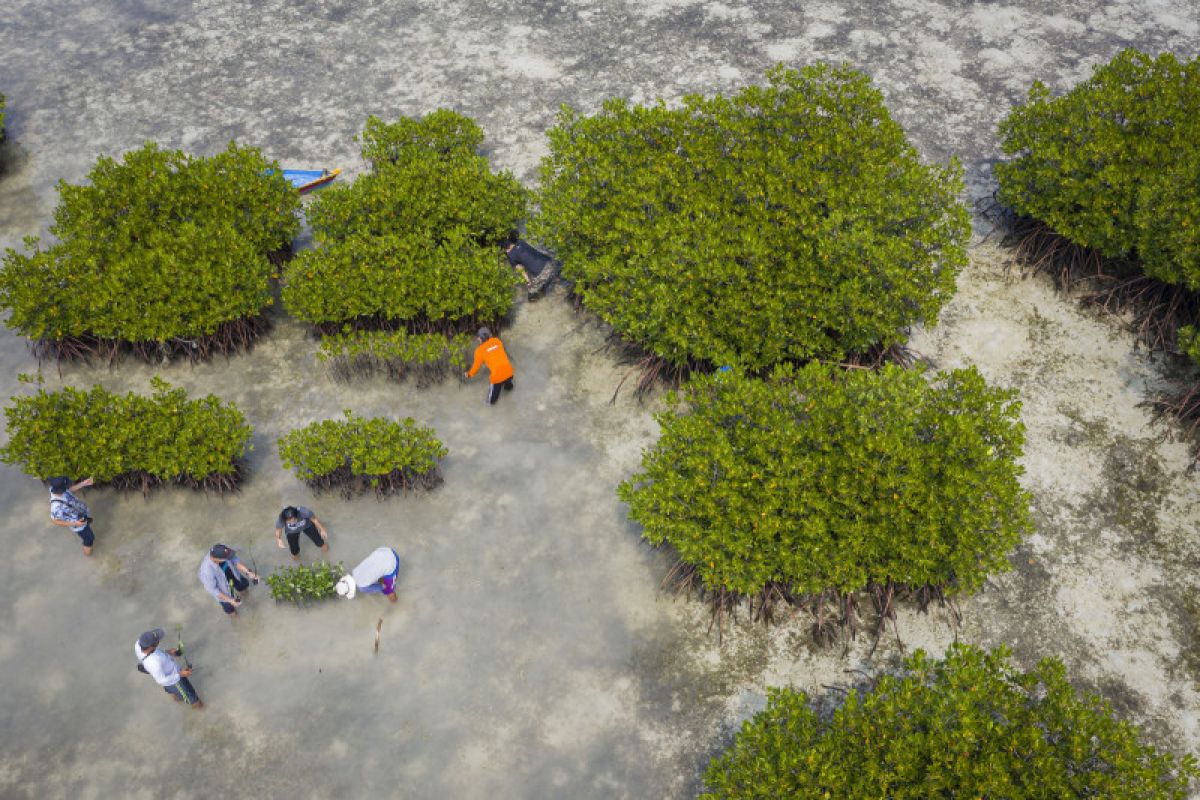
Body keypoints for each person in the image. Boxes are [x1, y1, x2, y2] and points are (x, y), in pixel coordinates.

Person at [134, 628, 202, 709]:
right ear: (152, 646)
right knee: (195, 701)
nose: (159, 641)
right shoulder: (154, 663)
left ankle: (177, 699)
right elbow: (161, 680)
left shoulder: (138, 644)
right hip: (175, 682)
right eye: (157, 641)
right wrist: (181, 674)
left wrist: (168, 652)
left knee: (174, 693)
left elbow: (155, 651)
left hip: (168, 676)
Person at [198, 544, 259, 617]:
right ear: (218, 559)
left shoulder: (222, 549)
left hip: (232, 574)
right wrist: (230, 600)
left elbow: (235, 561)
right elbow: (213, 590)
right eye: (227, 557)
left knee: (243, 587)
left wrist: (249, 573)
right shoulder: (207, 571)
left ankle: (247, 598)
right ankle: (238, 621)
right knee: (230, 609)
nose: (229, 557)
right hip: (222, 590)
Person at [47, 476, 96, 556]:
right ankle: (88, 556)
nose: (67, 487)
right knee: (89, 539)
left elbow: (69, 490)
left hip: (81, 513)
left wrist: (83, 484)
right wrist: (75, 523)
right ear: (60, 489)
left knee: (88, 532)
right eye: (65, 487)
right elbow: (55, 521)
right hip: (78, 524)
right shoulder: (56, 506)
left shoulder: (55, 488)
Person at [464, 327, 514, 405]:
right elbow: (496, 353)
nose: (477, 339)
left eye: (478, 337)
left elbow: (476, 368)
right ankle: (509, 390)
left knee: (490, 403)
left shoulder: (479, 351)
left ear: (481, 338)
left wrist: (469, 374)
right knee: (508, 387)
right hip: (510, 372)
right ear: (490, 335)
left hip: (497, 378)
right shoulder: (497, 341)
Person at [335, 547, 401, 602]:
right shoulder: (354, 571)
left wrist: (388, 586)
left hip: (392, 562)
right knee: (380, 575)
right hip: (385, 551)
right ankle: (393, 577)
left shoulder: (362, 588)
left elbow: (383, 586)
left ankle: (395, 603)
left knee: (388, 590)